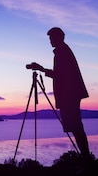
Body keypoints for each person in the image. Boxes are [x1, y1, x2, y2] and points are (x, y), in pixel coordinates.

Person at [30, 27, 91, 159]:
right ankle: (86, 159)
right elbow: (61, 75)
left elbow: (61, 75)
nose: (50, 41)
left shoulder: (62, 52)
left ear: (59, 38)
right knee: (76, 127)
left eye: (52, 38)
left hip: (69, 95)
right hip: (70, 95)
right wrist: (42, 69)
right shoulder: (62, 51)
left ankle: (87, 160)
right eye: (50, 38)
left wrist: (41, 69)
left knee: (76, 127)